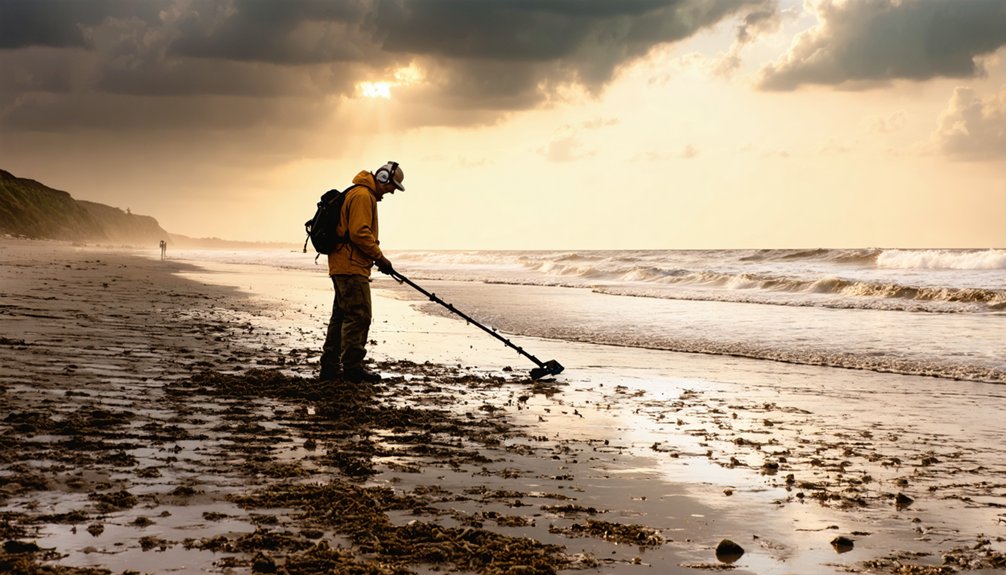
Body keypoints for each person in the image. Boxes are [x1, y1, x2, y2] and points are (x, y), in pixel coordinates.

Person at [320, 161, 404, 383]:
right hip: (351, 267)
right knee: (359, 316)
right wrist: (380, 257)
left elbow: (354, 233)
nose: (392, 192)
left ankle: (329, 367)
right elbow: (359, 233)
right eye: (392, 186)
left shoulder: (358, 193)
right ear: (383, 178)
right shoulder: (363, 196)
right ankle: (352, 369)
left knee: (341, 316)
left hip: (343, 264)